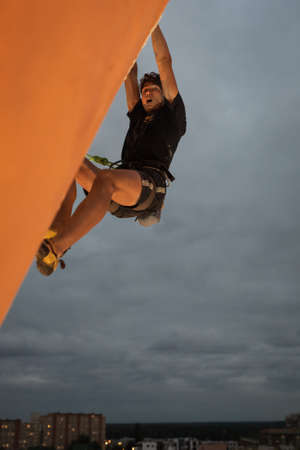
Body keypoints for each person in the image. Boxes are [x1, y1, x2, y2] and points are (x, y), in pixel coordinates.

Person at [36, 24, 186, 276]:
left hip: (149, 187)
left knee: (105, 179)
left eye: (153, 90)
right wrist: (128, 26)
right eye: (145, 90)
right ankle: (56, 230)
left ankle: (56, 249)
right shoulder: (137, 114)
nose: (147, 92)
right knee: (69, 162)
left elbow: (164, 60)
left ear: (164, 95)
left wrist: (152, 21)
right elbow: (129, 72)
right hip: (118, 192)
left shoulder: (173, 115)